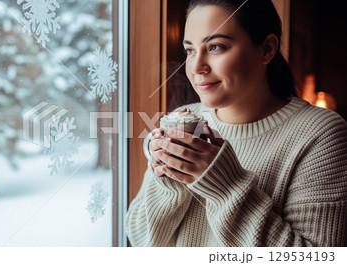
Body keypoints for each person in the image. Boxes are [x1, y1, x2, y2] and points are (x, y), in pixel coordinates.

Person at [125, 0, 347, 247]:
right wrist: (170, 182)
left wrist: (225, 185)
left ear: (267, 49)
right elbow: (141, 241)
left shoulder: (321, 133)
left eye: (216, 47)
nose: (197, 67)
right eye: (190, 51)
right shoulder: (186, 121)